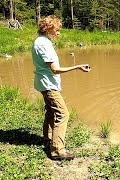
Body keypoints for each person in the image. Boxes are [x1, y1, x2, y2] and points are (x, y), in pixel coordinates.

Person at [32, 16, 91, 161]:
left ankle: (48, 139)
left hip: (43, 83)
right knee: (63, 114)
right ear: (48, 28)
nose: (58, 33)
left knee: (51, 112)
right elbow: (55, 70)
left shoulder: (40, 41)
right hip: (48, 85)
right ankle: (57, 150)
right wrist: (77, 67)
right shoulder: (44, 44)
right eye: (56, 30)